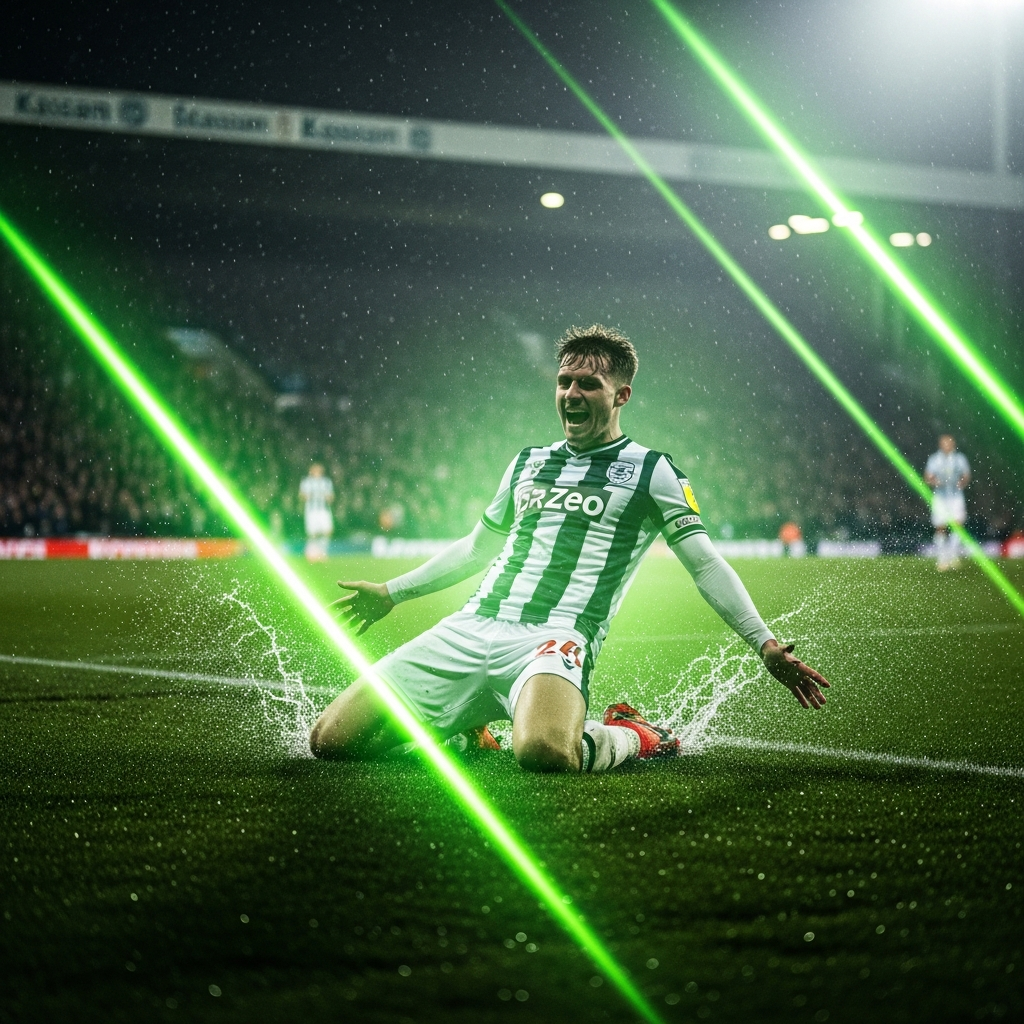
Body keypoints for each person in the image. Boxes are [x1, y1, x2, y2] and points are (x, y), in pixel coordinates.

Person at [310, 325, 829, 772]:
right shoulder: (528, 462)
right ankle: (462, 727)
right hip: (471, 626)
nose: (571, 393)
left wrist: (764, 643)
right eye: (564, 382)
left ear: (621, 395)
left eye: (588, 383)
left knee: (544, 754)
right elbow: (475, 549)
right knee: (330, 741)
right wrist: (392, 592)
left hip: (555, 637)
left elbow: (705, 564)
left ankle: (633, 734)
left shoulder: (654, 471)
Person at [924, 434, 970, 571]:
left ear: (953, 444)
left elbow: (966, 474)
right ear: (940, 444)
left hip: (956, 497)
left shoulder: (959, 458)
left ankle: (953, 555)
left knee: (958, 525)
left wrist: (962, 482)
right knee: (940, 526)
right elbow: (928, 476)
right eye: (944, 443)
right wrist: (934, 481)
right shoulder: (934, 459)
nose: (947, 445)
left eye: (949, 443)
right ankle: (942, 558)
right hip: (940, 497)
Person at [299, 463, 335, 562]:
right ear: (311, 471)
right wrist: (308, 496)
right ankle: (310, 553)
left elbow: (331, 496)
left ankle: (322, 552)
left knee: (328, 531)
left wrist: (328, 497)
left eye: (319, 470)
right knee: (312, 533)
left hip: (324, 510)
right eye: (315, 470)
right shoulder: (306, 482)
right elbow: (302, 495)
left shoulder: (326, 482)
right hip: (311, 510)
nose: (317, 472)